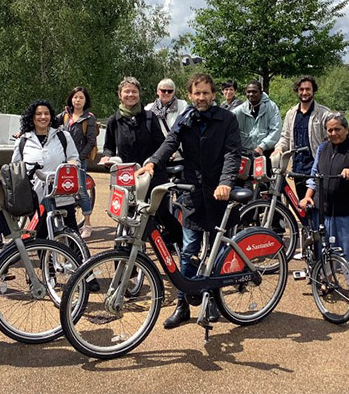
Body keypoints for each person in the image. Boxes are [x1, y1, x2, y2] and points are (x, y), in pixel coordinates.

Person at [137, 73, 242, 329]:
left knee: (218, 252)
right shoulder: (186, 118)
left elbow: (232, 152)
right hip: (193, 192)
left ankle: (214, 299)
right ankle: (183, 305)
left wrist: (226, 182)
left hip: (219, 193)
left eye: (206, 93)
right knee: (188, 251)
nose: (202, 97)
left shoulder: (227, 119)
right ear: (191, 95)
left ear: (213, 94)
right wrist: (152, 162)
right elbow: (170, 142)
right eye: (197, 93)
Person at [100, 77, 183, 247]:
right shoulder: (113, 121)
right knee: (126, 216)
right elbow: (109, 146)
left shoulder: (149, 117)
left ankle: (180, 242)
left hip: (152, 174)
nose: (130, 95)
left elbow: (162, 144)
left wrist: (156, 160)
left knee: (160, 213)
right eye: (127, 91)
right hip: (127, 176)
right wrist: (107, 157)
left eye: (134, 91)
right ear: (120, 95)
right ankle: (128, 260)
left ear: (139, 94)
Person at [299, 113, 349, 291]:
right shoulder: (322, 148)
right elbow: (314, 176)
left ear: (346, 129)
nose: (333, 133)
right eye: (329, 130)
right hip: (323, 210)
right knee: (324, 248)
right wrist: (308, 196)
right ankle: (327, 280)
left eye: (337, 129)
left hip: (348, 210)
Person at [0, 100, 80, 230]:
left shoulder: (63, 136)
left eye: (46, 113)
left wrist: (70, 166)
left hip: (62, 195)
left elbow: (74, 159)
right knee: (41, 237)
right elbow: (15, 170)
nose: (43, 117)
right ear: (32, 117)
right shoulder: (23, 140)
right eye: (38, 114)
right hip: (35, 197)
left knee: (71, 235)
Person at [273, 75, 331, 198]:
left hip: (316, 169)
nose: (304, 92)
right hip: (298, 169)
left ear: (313, 91)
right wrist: (278, 149)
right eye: (301, 89)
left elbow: (330, 140)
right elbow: (285, 137)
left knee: (317, 206)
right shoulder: (291, 113)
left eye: (308, 89)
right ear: (297, 91)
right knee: (303, 207)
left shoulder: (324, 114)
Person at [58, 87, 98, 238]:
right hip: (62, 159)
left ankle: (87, 223)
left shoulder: (89, 118)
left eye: (81, 97)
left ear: (85, 100)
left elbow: (91, 141)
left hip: (78, 160)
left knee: (81, 191)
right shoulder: (65, 115)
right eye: (75, 97)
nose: (78, 100)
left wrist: (78, 158)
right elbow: (47, 123)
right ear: (71, 99)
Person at [232, 80, 281, 156]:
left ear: (261, 92)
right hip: (244, 153)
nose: (251, 94)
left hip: (265, 152)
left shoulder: (272, 107)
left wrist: (262, 147)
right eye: (248, 92)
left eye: (254, 92)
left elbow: (276, 130)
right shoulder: (239, 110)